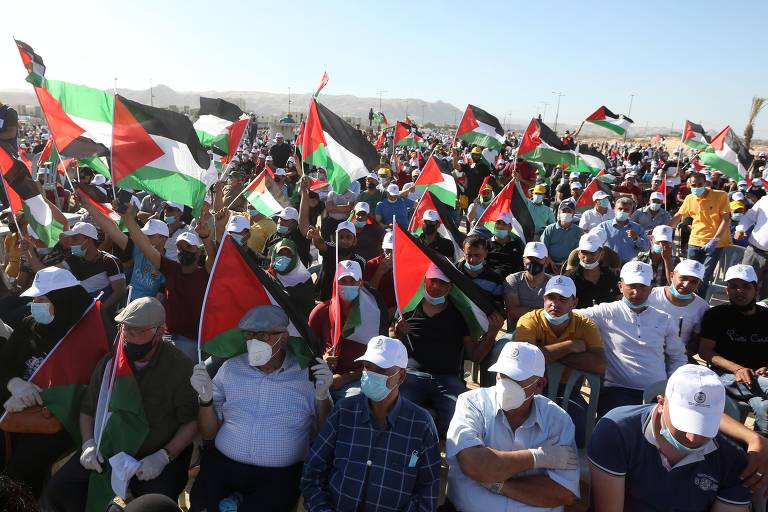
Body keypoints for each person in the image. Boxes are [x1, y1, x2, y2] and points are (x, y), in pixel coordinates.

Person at [45, 297, 199, 511]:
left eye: (139, 331)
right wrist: (89, 444)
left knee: (156, 504)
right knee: (59, 489)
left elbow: (190, 422)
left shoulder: (180, 368)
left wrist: (165, 455)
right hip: (108, 450)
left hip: (153, 457)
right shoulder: (111, 362)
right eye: (126, 329)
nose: (130, 336)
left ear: (158, 332)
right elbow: (88, 410)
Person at [188, 305, 332, 512]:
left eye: (263, 335)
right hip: (223, 465)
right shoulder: (231, 368)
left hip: (278, 476)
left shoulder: (308, 376)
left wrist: (322, 397)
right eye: (249, 335)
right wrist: (205, 400)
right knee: (202, 506)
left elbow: (323, 434)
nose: (254, 342)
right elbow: (208, 433)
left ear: (283, 337)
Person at [301, 336, 441, 512]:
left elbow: (426, 491)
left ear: (401, 376)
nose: (371, 374)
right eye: (367, 367)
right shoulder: (344, 412)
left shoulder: (421, 425)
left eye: (381, 369)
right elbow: (314, 470)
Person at [588, 364, 751, 512]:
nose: (693, 438)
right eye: (685, 423)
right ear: (661, 403)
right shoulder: (617, 430)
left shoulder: (733, 459)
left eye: (704, 426)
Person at [446, 342, 580, 511]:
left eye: (516, 378)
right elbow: (473, 464)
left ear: (539, 385)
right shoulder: (472, 403)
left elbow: (564, 493)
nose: (506, 383)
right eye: (502, 375)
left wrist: (497, 484)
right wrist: (537, 457)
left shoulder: (558, 420)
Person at [0, 268, 91, 496]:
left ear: (62, 299)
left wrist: (43, 401)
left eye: (42, 299)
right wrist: (13, 385)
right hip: (15, 408)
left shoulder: (83, 337)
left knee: (22, 468)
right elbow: (5, 363)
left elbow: (83, 391)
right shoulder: (29, 325)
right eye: (35, 299)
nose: (35, 304)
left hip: (58, 420)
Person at [394, 263, 503, 434]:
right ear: (425, 281)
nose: (436, 286)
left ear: (451, 287)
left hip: (448, 380)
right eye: (433, 281)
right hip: (412, 375)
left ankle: (429, 422)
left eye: (442, 283)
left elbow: (474, 356)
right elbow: (394, 346)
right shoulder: (407, 310)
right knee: (397, 415)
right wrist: (398, 333)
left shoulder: (460, 315)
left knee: (459, 424)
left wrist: (491, 334)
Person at [576, 261, 687, 417]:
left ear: (651, 288)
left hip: (658, 393)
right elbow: (570, 316)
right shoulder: (606, 312)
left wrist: (671, 389)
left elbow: (678, 357)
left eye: (642, 286)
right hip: (617, 390)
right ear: (620, 286)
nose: (637, 292)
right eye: (632, 285)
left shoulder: (664, 319)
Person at [122, 205, 213, 361]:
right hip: (166, 336)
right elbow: (143, 244)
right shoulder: (171, 269)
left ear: (198, 252)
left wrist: (205, 237)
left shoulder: (205, 273)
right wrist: (126, 217)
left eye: (188, 247)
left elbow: (213, 256)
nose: (183, 250)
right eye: (179, 247)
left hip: (192, 340)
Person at [699, 264, 768, 432]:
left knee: (765, 407)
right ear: (727, 289)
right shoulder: (716, 315)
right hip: (724, 375)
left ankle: (755, 451)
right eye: (733, 286)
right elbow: (705, 351)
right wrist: (737, 369)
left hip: (758, 379)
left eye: (745, 286)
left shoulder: (766, 316)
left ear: (756, 288)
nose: (739, 291)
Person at [309, 261, 388, 401]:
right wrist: (322, 360)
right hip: (323, 379)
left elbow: (378, 359)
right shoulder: (320, 312)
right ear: (335, 283)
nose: (347, 285)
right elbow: (307, 350)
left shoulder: (374, 313)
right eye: (343, 281)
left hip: (358, 379)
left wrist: (346, 378)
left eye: (353, 281)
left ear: (361, 284)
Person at [79, 192, 168, 302]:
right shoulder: (139, 250)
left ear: (163, 239)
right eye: (144, 235)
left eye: (150, 236)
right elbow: (112, 230)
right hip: (128, 304)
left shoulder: (169, 265)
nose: (145, 239)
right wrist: (89, 206)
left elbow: (161, 297)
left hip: (147, 311)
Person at [669, 172, 732, 297]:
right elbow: (679, 215)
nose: (696, 187)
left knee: (703, 277)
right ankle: (686, 299)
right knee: (689, 274)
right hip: (695, 241)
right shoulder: (690, 198)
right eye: (693, 185)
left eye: (699, 184)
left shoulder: (721, 196)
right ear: (689, 185)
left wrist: (715, 239)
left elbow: (725, 220)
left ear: (706, 183)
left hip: (715, 243)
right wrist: (665, 229)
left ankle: (699, 303)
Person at [647, 259, 709, 359]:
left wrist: (677, 359)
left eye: (694, 281)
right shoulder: (650, 295)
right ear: (672, 276)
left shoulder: (702, 307)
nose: (686, 284)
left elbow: (695, 343)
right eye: (683, 278)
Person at [60, 221, 127, 306]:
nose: (71, 243)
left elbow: (120, 292)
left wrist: (100, 309)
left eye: (75, 238)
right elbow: (51, 271)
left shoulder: (110, 261)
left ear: (88, 240)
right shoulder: (72, 260)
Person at [307, 220, 367, 301]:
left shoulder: (359, 261)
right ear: (335, 238)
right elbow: (320, 244)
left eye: (348, 237)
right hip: (323, 300)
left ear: (355, 241)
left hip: (346, 302)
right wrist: (316, 237)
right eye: (341, 237)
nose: (344, 241)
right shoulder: (331, 249)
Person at [504, 242, 552, 329]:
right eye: (530, 258)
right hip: (518, 330)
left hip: (546, 331)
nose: (533, 262)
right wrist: (545, 312)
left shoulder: (553, 282)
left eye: (537, 258)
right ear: (523, 261)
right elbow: (514, 311)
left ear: (546, 261)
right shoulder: (513, 280)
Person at [565, 234, 620, 307]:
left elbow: (619, 301)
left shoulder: (612, 278)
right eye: (584, 252)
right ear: (578, 254)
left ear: (601, 254)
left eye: (592, 253)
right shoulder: (569, 280)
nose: (587, 257)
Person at [268, 238, 315, 319]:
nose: (284, 257)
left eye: (288, 255)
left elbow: (308, 309)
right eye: (280, 254)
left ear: (295, 257)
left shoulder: (305, 279)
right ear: (274, 255)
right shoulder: (269, 276)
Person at [594, 197, 650, 263]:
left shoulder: (637, 228)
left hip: (630, 266)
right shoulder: (604, 226)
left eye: (626, 210)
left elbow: (646, 248)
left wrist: (636, 238)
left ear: (631, 211)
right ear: (614, 209)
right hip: (609, 266)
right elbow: (595, 245)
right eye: (620, 209)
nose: (622, 211)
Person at [735, 193, 768, 297]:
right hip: (755, 252)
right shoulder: (765, 200)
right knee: (744, 286)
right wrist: (740, 229)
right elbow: (749, 217)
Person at [457, 234, 505, 302]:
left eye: (477, 255)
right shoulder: (452, 270)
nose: (472, 260)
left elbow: (497, 305)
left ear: (486, 253)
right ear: (463, 252)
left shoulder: (496, 279)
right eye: (469, 255)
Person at [541, 200, 584, 272]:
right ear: (559, 212)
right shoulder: (549, 229)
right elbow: (543, 248)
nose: (566, 213)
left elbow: (578, 251)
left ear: (573, 213)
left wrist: (567, 264)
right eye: (564, 211)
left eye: (569, 211)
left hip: (569, 265)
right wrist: (551, 263)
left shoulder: (579, 231)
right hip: (548, 263)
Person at [364, 232, 397, 318]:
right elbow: (368, 294)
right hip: (376, 313)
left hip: (399, 314)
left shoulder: (406, 265)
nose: (390, 255)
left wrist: (396, 309)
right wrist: (379, 273)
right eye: (388, 250)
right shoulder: (372, 264)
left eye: (394, 250)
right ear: (383, 248)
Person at [486, 212, 525, 277]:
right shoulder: (486, 244)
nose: (500, 226)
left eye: (504, 224)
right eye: (498, 223)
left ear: (510, 228)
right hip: (492, 280)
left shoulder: (517, 244)